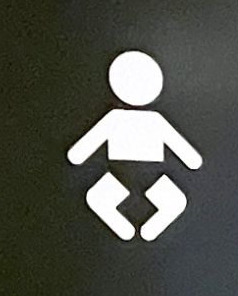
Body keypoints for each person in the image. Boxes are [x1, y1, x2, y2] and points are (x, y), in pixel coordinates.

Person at [67, 50, 202, 239]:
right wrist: (191, 161)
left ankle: (139, 231)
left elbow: (79, 153)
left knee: (100, 199)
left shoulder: (125, 119)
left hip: (139, 174)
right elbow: (190, 158)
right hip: (134, 174)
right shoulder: (139, 120)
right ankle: (137, 231)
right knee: (100, 199)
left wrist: (78, 156)